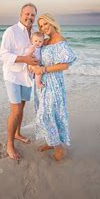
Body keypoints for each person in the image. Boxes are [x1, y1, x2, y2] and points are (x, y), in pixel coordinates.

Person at [31, 13, 77, 161]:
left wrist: (43, 70)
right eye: (41, 26)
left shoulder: (60, 41)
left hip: (54, 84)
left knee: (48, 113)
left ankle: (59, 148)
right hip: (42, 83)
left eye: (46, 24)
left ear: (52, 23)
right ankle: (50, 142)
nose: (44, 28)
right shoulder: (45, 41)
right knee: (43, 112)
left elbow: (65, 65)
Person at [0, 3, 40, 160]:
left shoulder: (33, 34)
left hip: (26, 76)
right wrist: (25, 59)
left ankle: (17, 133)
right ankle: (9, 144)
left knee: (22, 107)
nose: (30, 17)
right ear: (20, 14)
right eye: (27, 14)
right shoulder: (11, 31)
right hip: (12, 76)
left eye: (32, 15)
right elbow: (3, 55)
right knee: (15, 110)